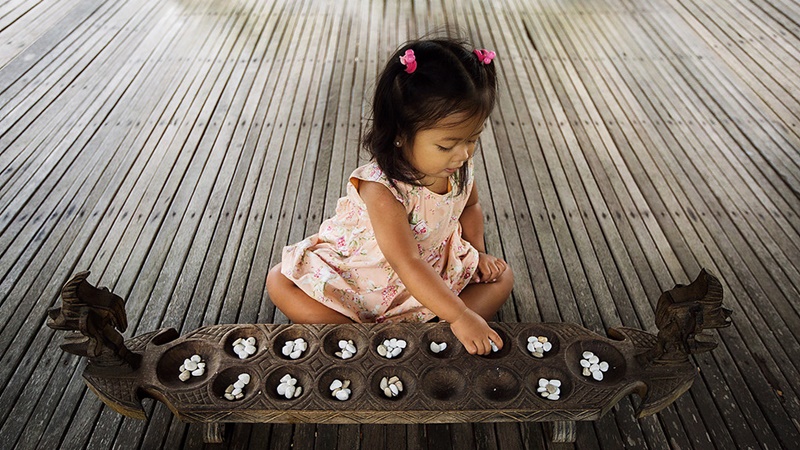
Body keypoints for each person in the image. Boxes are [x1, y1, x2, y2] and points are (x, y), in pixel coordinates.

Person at [267, 37, 513, 355]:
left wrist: (477, 253)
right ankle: (367, 337)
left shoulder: (459, 168)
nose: (462, 154)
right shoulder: (381, 188)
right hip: (363, 277)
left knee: (502, 278)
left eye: (472, 139)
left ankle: (413, 332)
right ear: (400, 133)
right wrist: (461, 315)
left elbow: (471, 207)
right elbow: (406, 261)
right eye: (446, 145)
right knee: (280, 282)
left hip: (432, 272)